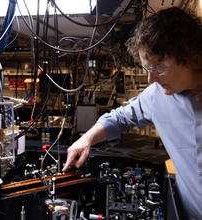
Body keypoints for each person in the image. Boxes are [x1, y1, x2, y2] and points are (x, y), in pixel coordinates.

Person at [62, 7, 202, 220]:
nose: (150, 79)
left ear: (191, 57)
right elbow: (120, 118)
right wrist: (87, 139)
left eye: (159, 68)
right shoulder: (156, 96)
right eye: (147, 69)